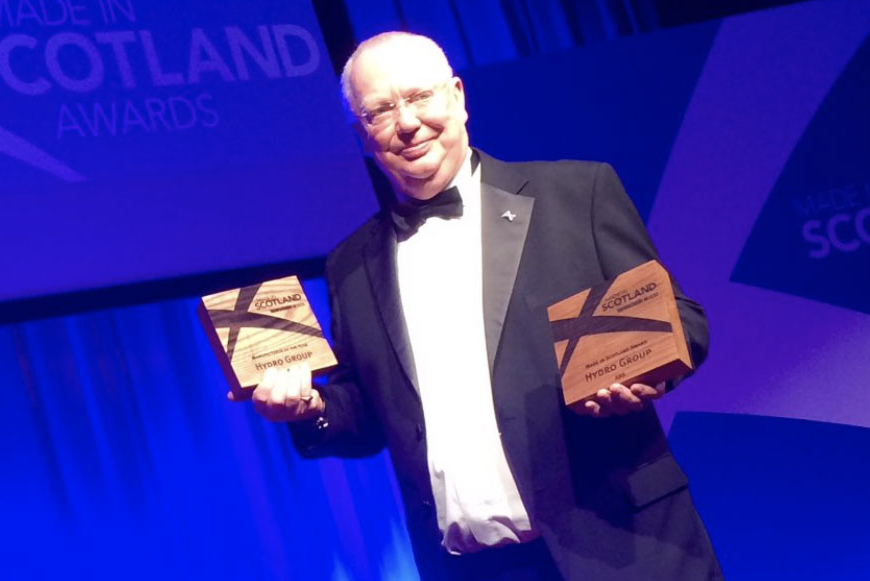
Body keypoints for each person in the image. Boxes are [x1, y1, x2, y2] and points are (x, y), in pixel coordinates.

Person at [232, 32, 722, 580]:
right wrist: (310, 409)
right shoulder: (350, 265)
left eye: (420, 96)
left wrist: (645, 374)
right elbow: (367, 416)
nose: (408, 122)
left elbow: (682, 321)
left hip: (625, 549)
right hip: (470, 569)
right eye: (381, 110)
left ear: (458, 96)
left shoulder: (576, 193)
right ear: (362, 134)